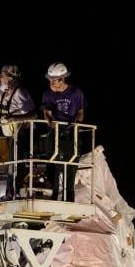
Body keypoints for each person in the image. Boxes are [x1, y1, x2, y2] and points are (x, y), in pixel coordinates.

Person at [40, 62, 87, 201]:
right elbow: (46, 114)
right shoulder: (48, 94)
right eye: (50, 80)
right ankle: (54, 197)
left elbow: (81, 113)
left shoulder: (75, 92)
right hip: (55, 134)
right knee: (54, 167)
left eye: (54, 80)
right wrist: (51, 123)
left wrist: (75, 125)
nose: (51, 83)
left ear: (62, 79)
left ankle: (69, 198)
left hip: (72, 134)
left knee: (70, 169)